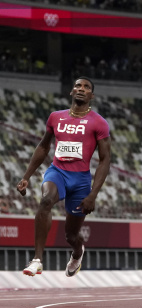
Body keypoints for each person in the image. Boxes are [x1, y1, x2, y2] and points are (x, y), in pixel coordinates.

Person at [17, 76, 111, 277]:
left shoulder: (98, 123)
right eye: (77, 85)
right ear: (71, 91)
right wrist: (27, 176)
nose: (81, 88)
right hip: (58, 171)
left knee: (71, 235)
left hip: (81, 180)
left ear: (91, 95)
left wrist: (93, 194)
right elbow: (43, 146)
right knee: (45, 201)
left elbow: (105, 160)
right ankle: (37, 260)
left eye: (86, 87)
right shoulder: (55, 117)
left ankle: (78, 252)